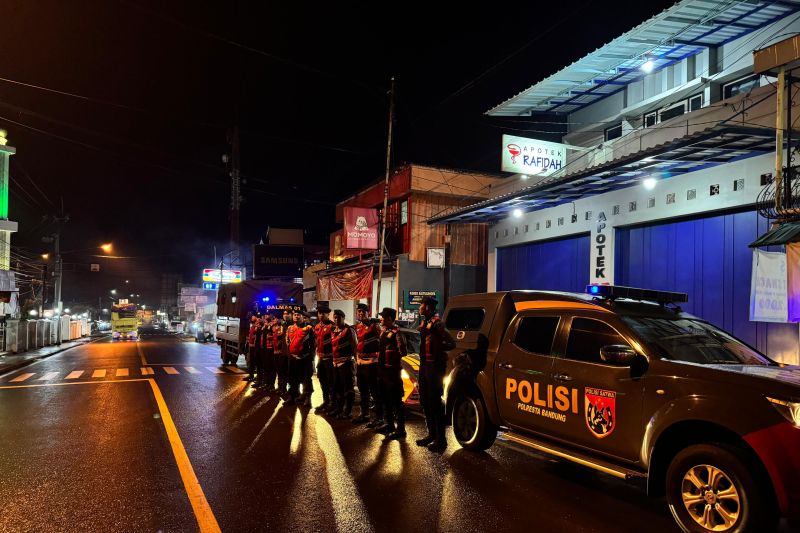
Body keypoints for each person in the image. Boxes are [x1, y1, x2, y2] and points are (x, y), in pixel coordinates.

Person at [416, 296, 455, 452]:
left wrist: (438, 350)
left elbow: (452, 343)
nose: (419, 307)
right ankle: (431, 435)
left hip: (434, 368)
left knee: (435, 403)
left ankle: (441, 440)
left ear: (428, 307)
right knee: (425, 401)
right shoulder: (425, 323)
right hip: (424, 366)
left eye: (421, 305)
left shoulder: (438, 324)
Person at [376, 307, 407, 439]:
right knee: (385, 399)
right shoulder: (384, 331)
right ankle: (389, 424)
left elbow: (403, 351)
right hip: (383, 371)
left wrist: (394, 357)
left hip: (393, 373)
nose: (381, 319)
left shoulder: (397, 333)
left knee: (396, 401)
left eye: (383, 317)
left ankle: (400, 430)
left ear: (389, 318)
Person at [352, 303, 383, 427]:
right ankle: (364, 415)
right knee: (363, 390)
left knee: (375, 392)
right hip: (361, 363)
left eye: (362, 312)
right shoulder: (358, 327)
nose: (360, 313)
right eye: (358, 311)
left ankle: (379, 418)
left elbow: (381, 341)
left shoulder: (375, 326)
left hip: (372, 364)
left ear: (367, 313)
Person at [330, 309, 357, 419]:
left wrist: (356, 362)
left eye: (338, 318)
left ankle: (348, 411)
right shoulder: (333, 330)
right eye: (335, 317)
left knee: (348, 389)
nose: (336, 320)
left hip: (346, 363)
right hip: (336, 364)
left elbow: (355, 347)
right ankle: (339, 409)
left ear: (343, 318)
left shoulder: (349, 330)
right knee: (337, 388)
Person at [286, 309, 315, 406]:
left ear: (303, 317)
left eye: (298, 315)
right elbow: (288, 342)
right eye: (295, 315)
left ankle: (307, 398)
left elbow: (313, 344)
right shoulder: (289, 328)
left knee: (306, 379)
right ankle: (292, 396)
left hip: (305, 358)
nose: (296, 316)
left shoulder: (309, 328)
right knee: (292, 377)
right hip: (293, 358)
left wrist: (310, 356)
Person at [313, 305, 335, 413]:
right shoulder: (317, 326)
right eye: (319, 313)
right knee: (322, 382)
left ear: (328, 314)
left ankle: (333, 403)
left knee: (331, 383)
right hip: (320, 359)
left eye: (323, 313)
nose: (321, 315)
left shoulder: (332, 326)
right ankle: (325, 401)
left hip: (330, 359)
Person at [272, 311, 289, 399]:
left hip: (287, 353)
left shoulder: (289, 325)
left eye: (287, 314)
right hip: (281, 351)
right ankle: (280, 387)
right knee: (280, 370)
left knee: (285, 372)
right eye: (284, 314)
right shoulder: (283, 325)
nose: (285, 315)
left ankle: (284, 389)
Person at [260, 313, 277, 391]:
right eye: (265, 315)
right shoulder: (265, 325)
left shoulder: (273, 325)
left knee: (271, 367)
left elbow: (275, 335)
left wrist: (270, 336)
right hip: (265, 348)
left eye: (267, 315)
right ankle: (266, 383)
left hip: (270, 348)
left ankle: (271, 385)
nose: (266, 317)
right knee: (266, 366)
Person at [244, 315, 259, 383]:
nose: (251, 318)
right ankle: (251, 375)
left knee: (255, 361)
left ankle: (256, 377)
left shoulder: (257, 324)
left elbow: (256, 335)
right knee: (251, 361)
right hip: (251, 345)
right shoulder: (252, 324)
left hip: (255, 346)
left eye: (252, 316)